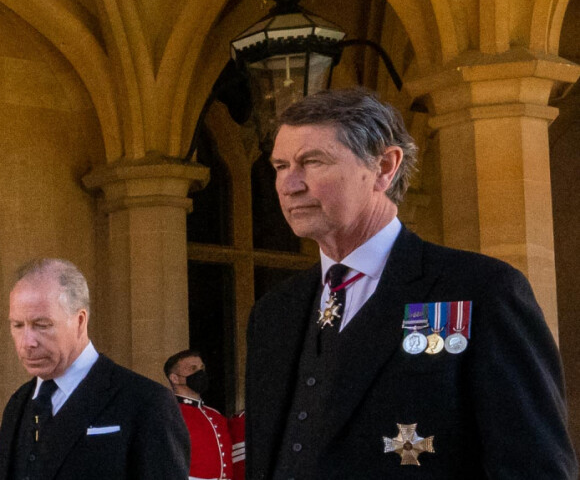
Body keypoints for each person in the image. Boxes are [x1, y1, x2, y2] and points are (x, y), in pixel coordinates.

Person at [244, 88, 578, 479]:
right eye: (281, 166)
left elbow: (536, 468)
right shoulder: (273, 313)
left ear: (385, 167)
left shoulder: (482, 291)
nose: (289, 184)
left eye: (312, 161)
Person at [0, 258, 190, 480]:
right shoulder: (17, 404)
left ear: (80, 321)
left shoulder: (147, 402)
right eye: (18, 325)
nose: (26, 342)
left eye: (42, 325)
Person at [164, 349, 233, 480]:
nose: (200, 373)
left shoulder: (216, 415)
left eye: (202, 368)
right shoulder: (169, 413)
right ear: (175, 378)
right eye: (192, 368)